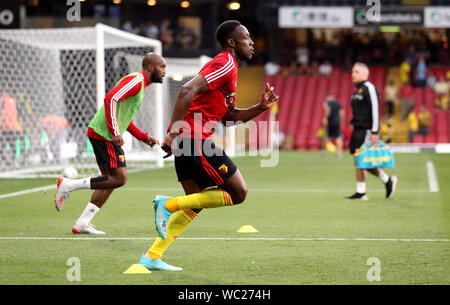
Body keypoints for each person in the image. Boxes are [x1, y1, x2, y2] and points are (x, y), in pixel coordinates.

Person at [138, 20, 279, 271]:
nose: (252, 42)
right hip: (193, 137)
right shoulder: (224, 62)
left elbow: (229, 117)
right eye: (246, 38)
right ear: (231, 42)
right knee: (238, 193)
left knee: (195, 202)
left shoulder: (231, 70)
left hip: (189, 139)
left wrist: (260, 107)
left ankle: (153, 255)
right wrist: (173, 131)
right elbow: (186, 90)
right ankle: (166, 204)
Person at [54, 53, 166, 234]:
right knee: (119, 178)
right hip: (104, 135)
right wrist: (114, 132)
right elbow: (110, 99)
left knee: (109, 181)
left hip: (102, 133)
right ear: (151, 68)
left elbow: (125, 117)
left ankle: (82, 223)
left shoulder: (141, 86)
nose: (164, 72)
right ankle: (69, 185)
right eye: (162, 67)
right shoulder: (136, 80)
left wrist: (143, 137)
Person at [346, 62, 398, 201]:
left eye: (356, 71)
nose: (353, 74)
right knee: (360, 161)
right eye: (352, 72)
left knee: (361, 160)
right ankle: (387, 180)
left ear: (365, 73)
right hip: (357, 130)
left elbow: (375, 110)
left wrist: (375, 132)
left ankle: (361, 192)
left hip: (366, 130)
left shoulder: (369, 88)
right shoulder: (357, 90)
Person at [321, 93, 344, 158]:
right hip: (337, 122)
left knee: (326, 137)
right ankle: (339, 153)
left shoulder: (328, 103)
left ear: (327, 97)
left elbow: (328, 110)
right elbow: (342, 112)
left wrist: (325, 118)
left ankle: (324, 152)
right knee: (339, 137)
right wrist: (341, 121)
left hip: (330, 122)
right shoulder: (337, 103)